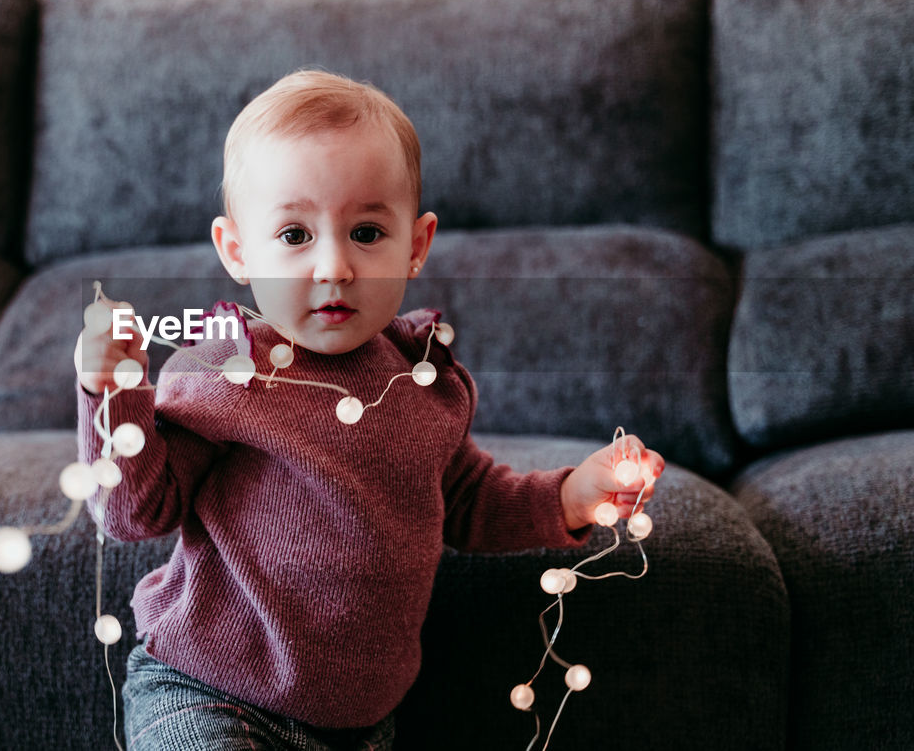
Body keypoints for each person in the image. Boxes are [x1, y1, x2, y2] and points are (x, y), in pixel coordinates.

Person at [73, 69, 663, 750]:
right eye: (295, 234)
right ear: (238, 251)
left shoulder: (421, 382)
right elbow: (130, 512)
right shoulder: (227, 369)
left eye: (366, 232)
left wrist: (573, 494)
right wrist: (113, 392)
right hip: (205, 690)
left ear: (416, 245)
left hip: (359, 725)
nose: (335, 265)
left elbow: (470, 499)